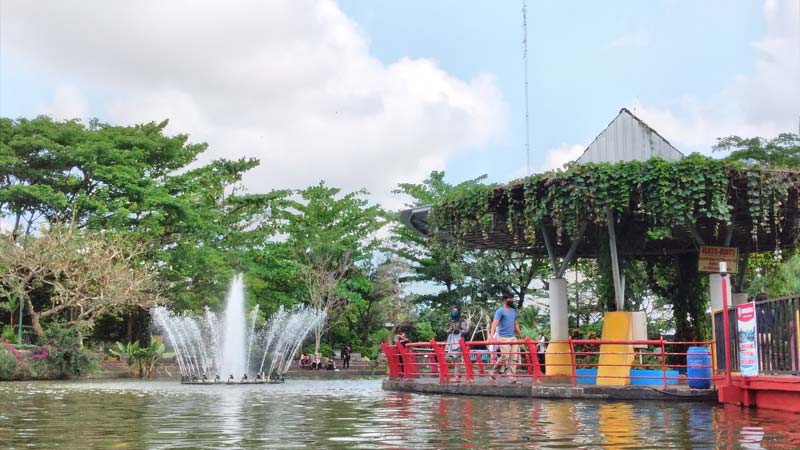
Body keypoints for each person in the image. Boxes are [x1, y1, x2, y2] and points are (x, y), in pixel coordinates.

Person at [490, 292, 522, 384]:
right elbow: (495, 323)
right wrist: (491, 335)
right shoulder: (500, 311)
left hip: (512, 337)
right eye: (509, 298)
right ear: (504, 300)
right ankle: (493, 372)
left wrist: (521, 336)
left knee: (513, 358)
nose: (511, 300)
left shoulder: (513, 311)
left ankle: (512, 379)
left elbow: (516, 324)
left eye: (512, 298)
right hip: (503, 337)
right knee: (505, 356)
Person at [445, 306, 469, 382]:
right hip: (453, 340)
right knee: (455, 358)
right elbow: (450, 329)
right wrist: (449, 331)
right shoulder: (452, 321)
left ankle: (457, 377)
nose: (454, 312)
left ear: (458, 312)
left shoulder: (462, 321)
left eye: (456, 311)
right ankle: (458, 375)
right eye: (453, 311)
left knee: (457, 358)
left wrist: (459, 332)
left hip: (459, 340)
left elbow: (465, 330)